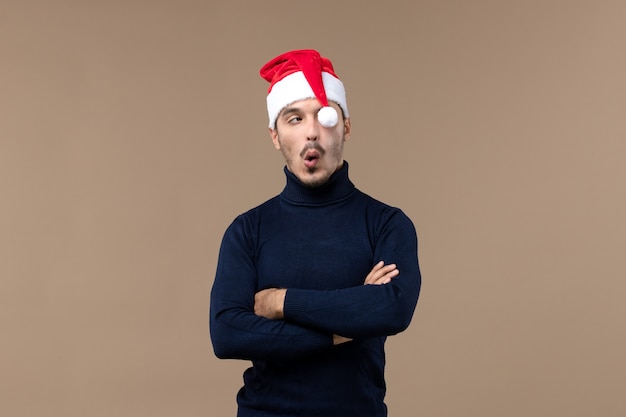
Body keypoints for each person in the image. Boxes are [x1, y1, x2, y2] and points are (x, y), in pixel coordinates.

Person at [209, 49, 421, 417]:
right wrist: (346, 327)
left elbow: (393, 308)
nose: (311, 132)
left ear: (347, 127)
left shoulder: (387, 223)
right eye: (294, 119)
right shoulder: (248, 230)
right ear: (275, 136)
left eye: (325, 117)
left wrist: (281, 302)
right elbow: (227, 334)